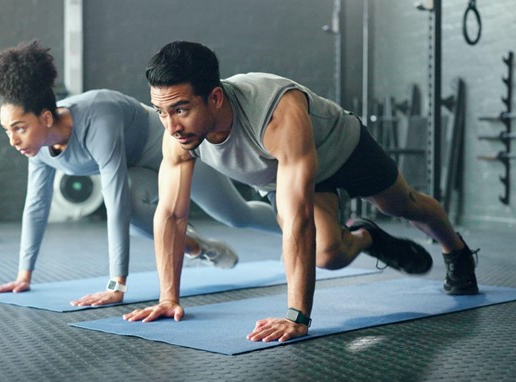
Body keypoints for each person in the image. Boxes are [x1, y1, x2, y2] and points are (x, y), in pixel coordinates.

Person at [123, 41, 480, 342]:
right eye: (161, 112)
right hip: (283, 175)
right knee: (328, 255)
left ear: (214, 97)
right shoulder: (177, 137)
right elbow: (171, 214)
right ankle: (367, 238)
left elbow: (298, 219)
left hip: (342, 147)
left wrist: (297, 316)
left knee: (402, 204)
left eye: (180, 109)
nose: (170, 126)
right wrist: (168, 297)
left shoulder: (276, 111)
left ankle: (457, 252)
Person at [0, 41, 280, 306]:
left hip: (177, 151)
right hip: (140, 176)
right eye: (7, 130)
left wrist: (116, 285)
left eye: (19, 128)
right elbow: (36, 207)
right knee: (136, 210)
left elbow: (114, 196)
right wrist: (24, 276)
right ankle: (200, 248)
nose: (13, 140)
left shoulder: (98, 114)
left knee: (236, 216)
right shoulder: (38, 149)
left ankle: (295, 226)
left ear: (46, 118)